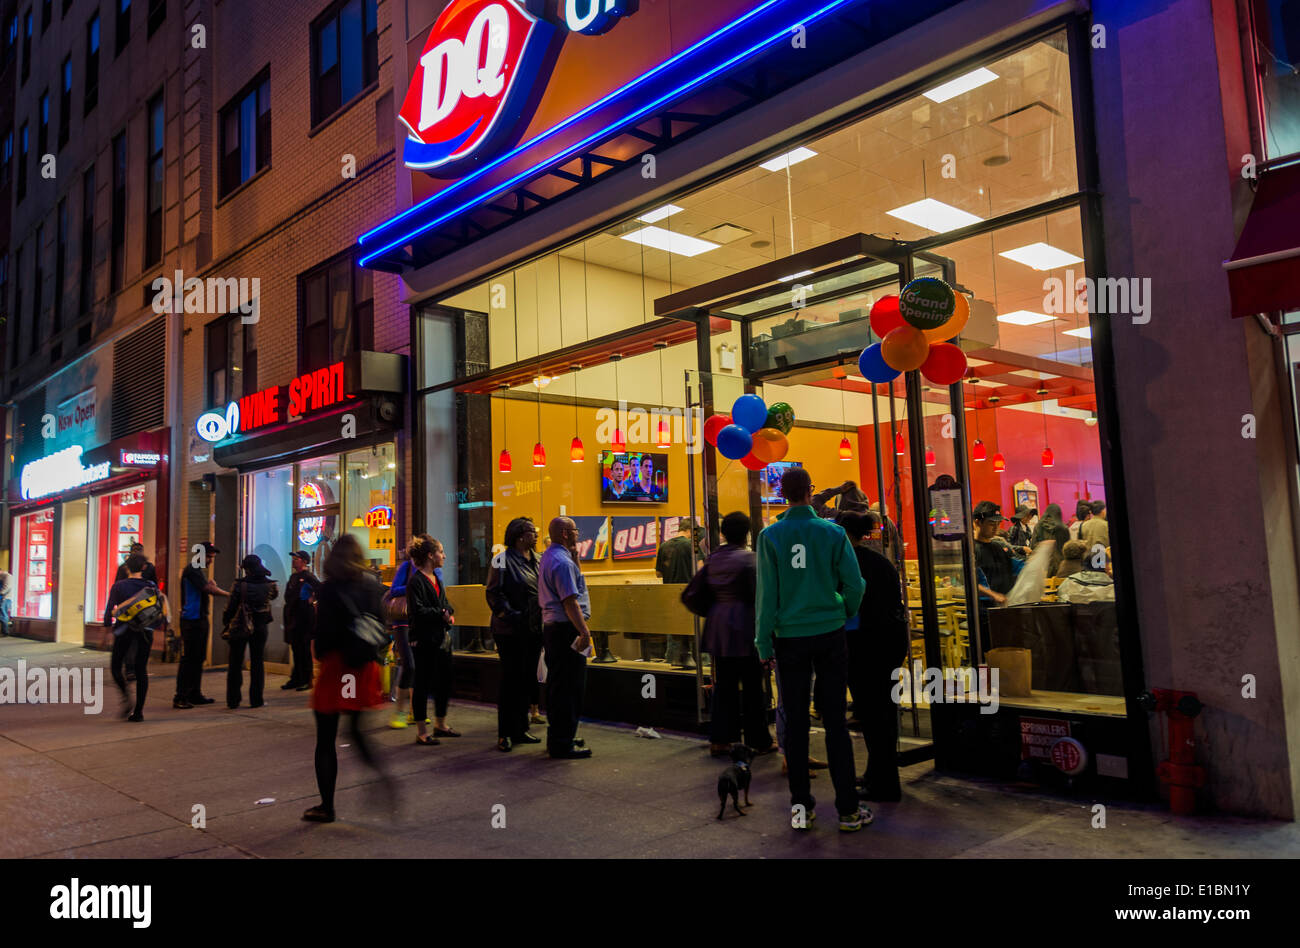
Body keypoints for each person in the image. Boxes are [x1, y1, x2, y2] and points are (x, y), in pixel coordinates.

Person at [756, 466, 869, 832]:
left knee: (797, 723)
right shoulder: (833, 533)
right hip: (830, 634)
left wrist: (762, 641)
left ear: (783, 494)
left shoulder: (769, 536)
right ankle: (849, 812)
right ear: (811, 491)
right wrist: (841, 609)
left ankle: (802, 809)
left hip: (789, 639)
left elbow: (766, 596)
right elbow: (855, 585)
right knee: (835, 722)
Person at [303, 534, 394, 823]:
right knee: (355, 730)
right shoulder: (371, 584)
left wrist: (319, 654)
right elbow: (381, 623)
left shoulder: (328, 589)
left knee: (326, 739)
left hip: (336, 668)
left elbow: (324, 632)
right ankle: (380, 774)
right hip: (363, 668)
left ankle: (326, 806)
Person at [688, 511, 773, 757]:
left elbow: (693, 593)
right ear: (747, 533)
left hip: (718, 629)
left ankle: (720, 739)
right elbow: (761, 598)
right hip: (746, 629)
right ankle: (759, 740)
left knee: (723, 686)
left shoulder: (713, 558)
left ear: (723, 533)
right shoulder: (751, 560)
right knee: (753, 687)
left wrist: (715, 612)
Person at [839, 511, 908, 802]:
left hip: (865, 646)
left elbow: (849, 606)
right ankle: (877, 774)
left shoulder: (846, 563)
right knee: (883, 715)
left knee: (873, 717)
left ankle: (884, 784)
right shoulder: (879, 561)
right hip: (890, 643)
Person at [486, 518, 544, 752]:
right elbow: (494, 594)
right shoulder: (502, 559)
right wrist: (514, 616)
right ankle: (505, 733)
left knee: (527, 679)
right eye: (532, 532)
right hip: (510, 630)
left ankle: (521, 729)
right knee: (510, 681)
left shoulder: (538, 560)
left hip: (533, 629)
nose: (536, 535)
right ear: (520, 535)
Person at [538, 516, 594, 759]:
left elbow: (576, 587)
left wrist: (577, 559)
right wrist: (584, 631)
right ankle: (562, 743)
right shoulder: (561, 562)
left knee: (560, 686)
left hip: (556, 629)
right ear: (564, 533)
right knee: (569, 688)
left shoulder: (553, 557)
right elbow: (570, 601)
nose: (577, 534)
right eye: (574, 530)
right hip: (565, 629)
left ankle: (562, 735)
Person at [104, 553, 169, 721]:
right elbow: (159, 608)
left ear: (126, 568)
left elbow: (109, 609)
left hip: (123, 630)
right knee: (141, 670)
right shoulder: (151, 586)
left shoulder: (119, 586)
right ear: (144, 567)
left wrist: (106, 629)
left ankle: (126, 696)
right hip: (145, 630)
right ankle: (139, 711)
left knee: (116, 666)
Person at [407, 535, 458, 745]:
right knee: (422, 683)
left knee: (443, 682)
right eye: (441, 552)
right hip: (424, 639)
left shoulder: (437, 578)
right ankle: (421, 731)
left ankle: (440, 724)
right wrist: (442, 614)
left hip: (440, 639)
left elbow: (445, 603)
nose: (444, 556)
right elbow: (418, 611)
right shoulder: (416, 581)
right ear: (430, 555)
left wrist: (449, 612)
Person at [174, 542, 229, 708]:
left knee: (198, 659)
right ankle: (181, 696)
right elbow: (208, 589)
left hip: (199, 619)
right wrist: (228, 594)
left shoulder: (197, 571)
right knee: (189, 659)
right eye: (209, 557)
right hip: (192, 621)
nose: (211, 560)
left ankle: (194, 693)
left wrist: (212, 586)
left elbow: (206, 588)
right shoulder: (192, 570)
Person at [222, 554, 279, 709]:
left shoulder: (239, 585)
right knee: (257, 662)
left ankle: (233, 700)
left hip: (240, 626)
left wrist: (226, 622)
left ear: (247, 569)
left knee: (235, 663)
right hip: (260, 627)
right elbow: (274, 597)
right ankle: (256, 699)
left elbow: (230, 607)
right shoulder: (271, 585)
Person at [973, 501, 1021, 653]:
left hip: (1006, 609)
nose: (996, 528)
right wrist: (992, 594)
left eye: (998, 524)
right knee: (988, 654)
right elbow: (967, 581)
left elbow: (1017, 567)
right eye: (991, 523)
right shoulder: (971, 549)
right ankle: (986, 677)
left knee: (1008, 652)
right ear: (977, 522)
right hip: (983, 612)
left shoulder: (1000, 547)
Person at [655, 519, 698, 669]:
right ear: (691, 531)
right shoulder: (691, 545)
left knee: (674, 634)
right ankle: (698, 664)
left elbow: (658, 574)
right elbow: (701, 568)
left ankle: (672, 662)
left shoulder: (664, 545)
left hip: (669, 596)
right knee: (693, 633)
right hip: (689, 595)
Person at [282, 551, 320, 691]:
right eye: (293, 558)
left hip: (304, 618)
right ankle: (296, 678)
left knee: (304, 649)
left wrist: (312, 599)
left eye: (296, 559)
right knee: (296, 648)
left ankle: (306, 679)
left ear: (304, 561)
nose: (293, 561)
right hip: (293, 617)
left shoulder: (308, 577)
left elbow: (320, 589)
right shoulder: (293, 577)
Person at [1030, 503, 1070, 575]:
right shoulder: (1064, 528)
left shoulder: (1038, 527)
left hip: (1043, 565)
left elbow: (1033, 546)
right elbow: (1068, 549)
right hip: (1060, 565)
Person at [0, 568, 13, 637]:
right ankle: (4, 631)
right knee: (2, 614)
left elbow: (7, 587)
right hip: (3, 598)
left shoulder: (7, 576)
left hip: (6, 598)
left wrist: (1, 593)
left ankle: (5, 632)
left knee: (3, 614)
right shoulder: (2, 577)